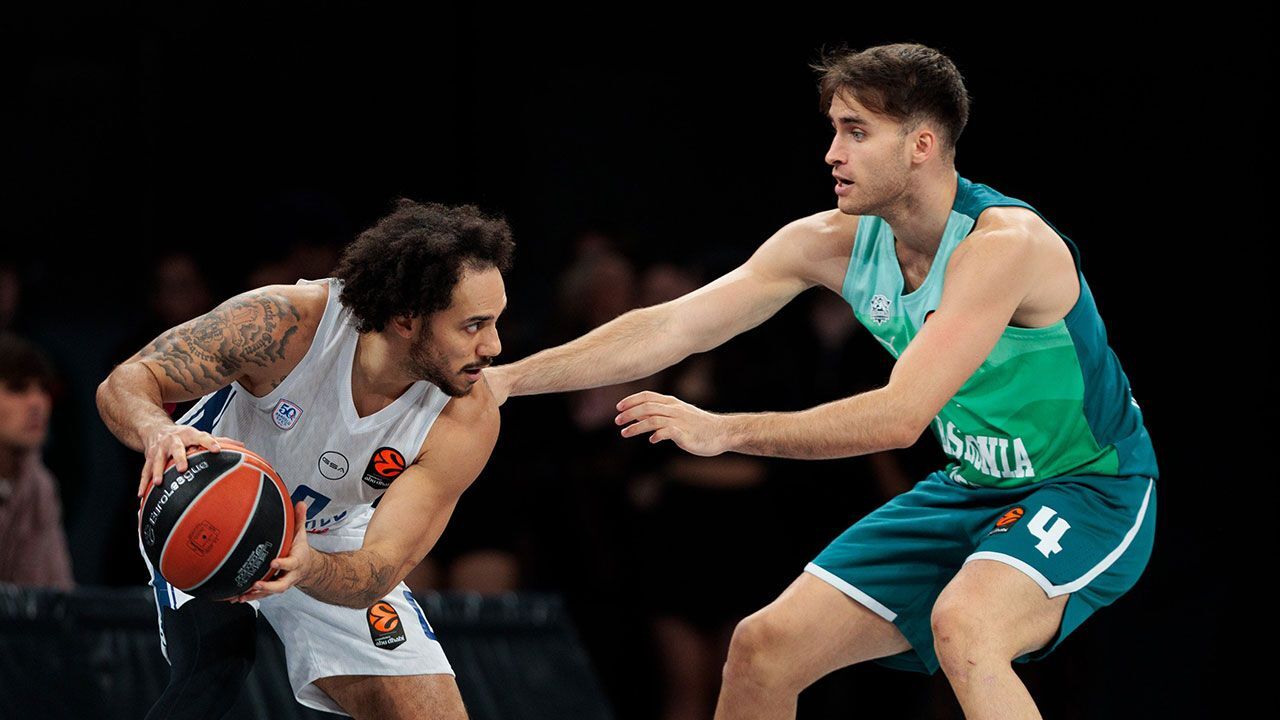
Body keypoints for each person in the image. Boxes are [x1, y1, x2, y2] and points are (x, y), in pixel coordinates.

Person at [486, 42, 1158, 720]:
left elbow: (899, 417)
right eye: (834, 129)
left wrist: (725, 430)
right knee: (763, 649)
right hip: (970, 486)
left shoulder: (1005, 244)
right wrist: (507, 380)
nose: (832, 153)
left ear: (921, 145)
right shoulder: (829, 242)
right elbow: (672, 326)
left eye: (856, 131)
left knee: (966, 624)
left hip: (1090, 485)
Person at [96, 199, 512, 720]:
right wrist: (158, 431)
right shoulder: (286, 323)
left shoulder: (465, 418)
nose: (494, 345)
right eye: (473, 325)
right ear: (407, 318)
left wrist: (309, 565)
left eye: (495, 321)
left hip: (329, 533)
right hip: (211, 500)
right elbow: (127, 381)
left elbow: (379, 569)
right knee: (215, 666)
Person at [0, 332, 74, 590]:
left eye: (43, 389)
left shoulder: (40, 486)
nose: (37, 403)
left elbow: (55, 593)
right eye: (17, 388)